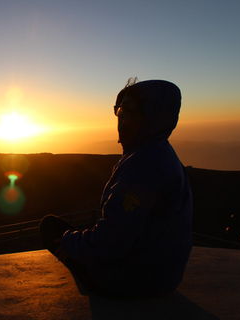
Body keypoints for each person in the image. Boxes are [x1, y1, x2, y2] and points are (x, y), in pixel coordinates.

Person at [40, 78, 192, 298]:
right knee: (77, 234)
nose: (125, 120)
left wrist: (70, 243)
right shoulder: (158, 152)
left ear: (157, 118)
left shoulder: (145, 167)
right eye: (123, 110)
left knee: (51, 229)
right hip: (162, 274)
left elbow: (112, 240)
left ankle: (91, 276)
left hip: (135, 281)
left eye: (138, 112)